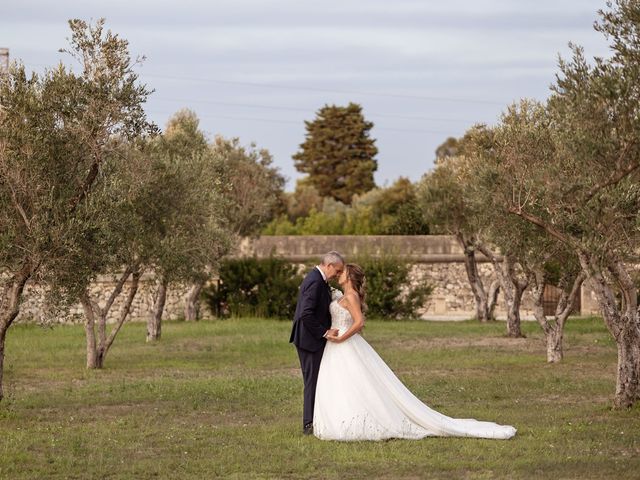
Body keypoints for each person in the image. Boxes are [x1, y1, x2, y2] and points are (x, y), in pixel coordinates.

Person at [313, 263, 517, 441]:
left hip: (346, 344)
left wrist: (341, 337)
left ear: (349, 277)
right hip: (336, 348)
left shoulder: (351, 296)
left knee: (357, 383)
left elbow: (359, 323)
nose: (339, 273)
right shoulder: (342, 295)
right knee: (344, 384)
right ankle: (342, 419)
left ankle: (359, 422)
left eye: (343, 272)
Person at [289, 251, 344, 435]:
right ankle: (308, 425)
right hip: (309, 340)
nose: (337, 275)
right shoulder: (315, 281)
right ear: (328, 266)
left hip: (310, 338)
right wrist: (324, 332)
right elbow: (306, 313)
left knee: (317, 380)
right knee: (312, 382)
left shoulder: (319, 280)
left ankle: (317, 419)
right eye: (337, 271)